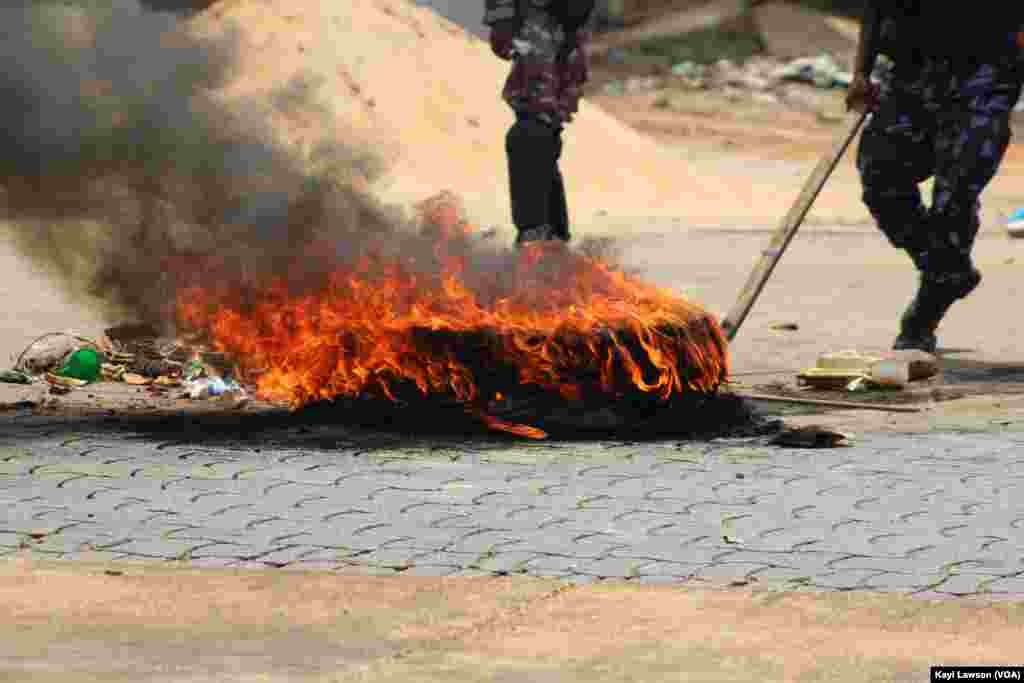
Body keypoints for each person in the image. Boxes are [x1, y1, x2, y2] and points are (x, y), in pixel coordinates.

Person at [847, 1, 1024, 353]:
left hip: (984, 75)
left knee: (955, 194)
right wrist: (861, 73)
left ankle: (921, 320)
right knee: (880, 177)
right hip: (911, 74)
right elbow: (875, 6)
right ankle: (947, 269)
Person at [484, 0, 595, 247]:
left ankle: (549, 237)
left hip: (569, 23)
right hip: (536, 19)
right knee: (532, 130)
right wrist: (501, 16)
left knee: (542, 129)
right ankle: (539, 236)